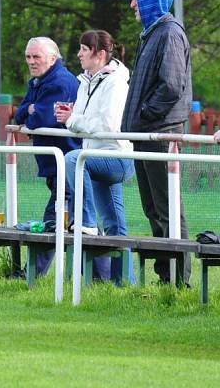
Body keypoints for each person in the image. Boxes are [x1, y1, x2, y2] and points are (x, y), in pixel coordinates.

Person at [121, 0, 192, 285]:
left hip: (160, 134)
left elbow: (172, 86)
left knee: (168, 209)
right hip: (147, 134)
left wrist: (146, 113)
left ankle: (180, 281)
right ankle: (167, 278)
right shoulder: (152, 33)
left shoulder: (169, 34)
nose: (132, 4)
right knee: (154, 208)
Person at [56, 30, 135, 285]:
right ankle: (125, 285)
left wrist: (73, 120)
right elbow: (81, 120)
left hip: (116, 157)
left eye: (83, 49)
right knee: (114, 224)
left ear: (99, 54)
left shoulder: (116, 82)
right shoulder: (86, 81)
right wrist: (72, 117)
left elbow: (109, 125)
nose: (78, 54)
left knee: (72, 159)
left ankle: (86, 223)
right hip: (95, 159)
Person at [13, 36, 80, 277]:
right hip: (56, 165)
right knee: (70, 221)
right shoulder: (39, 81)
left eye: (36, 57)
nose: (31, 61)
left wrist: (31, 112)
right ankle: (101, 277)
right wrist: (29, 110)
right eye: (28, 57)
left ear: (53, 58)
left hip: (67, 163)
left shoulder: (59, 82)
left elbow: (40, 118)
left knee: (62, 221)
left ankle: (32, 274)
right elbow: (20, 113)